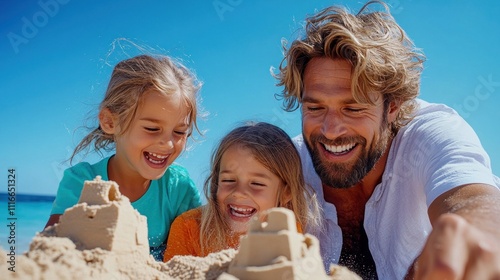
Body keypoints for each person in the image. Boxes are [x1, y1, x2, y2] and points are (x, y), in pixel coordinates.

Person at [274, 1, 500, 279]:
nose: (331, 130)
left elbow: (474, 199)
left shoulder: (431, 132)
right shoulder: (288, 165)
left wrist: (474, 229)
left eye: (353, 108)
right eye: (315, 108)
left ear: (392, 106)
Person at [45, 54, 203, 261]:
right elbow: (48, 250)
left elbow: (197, 251)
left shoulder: (178, 187)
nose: (168, 143)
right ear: (110, 122)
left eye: (180, 132)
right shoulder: (81, 182)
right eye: (152, 128)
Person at [163, 122, 321, 262]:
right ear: (216, 182)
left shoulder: (286, 233)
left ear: (286, 192)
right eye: (229, 180)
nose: (239, 193)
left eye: (257, 183)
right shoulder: (188, 228)